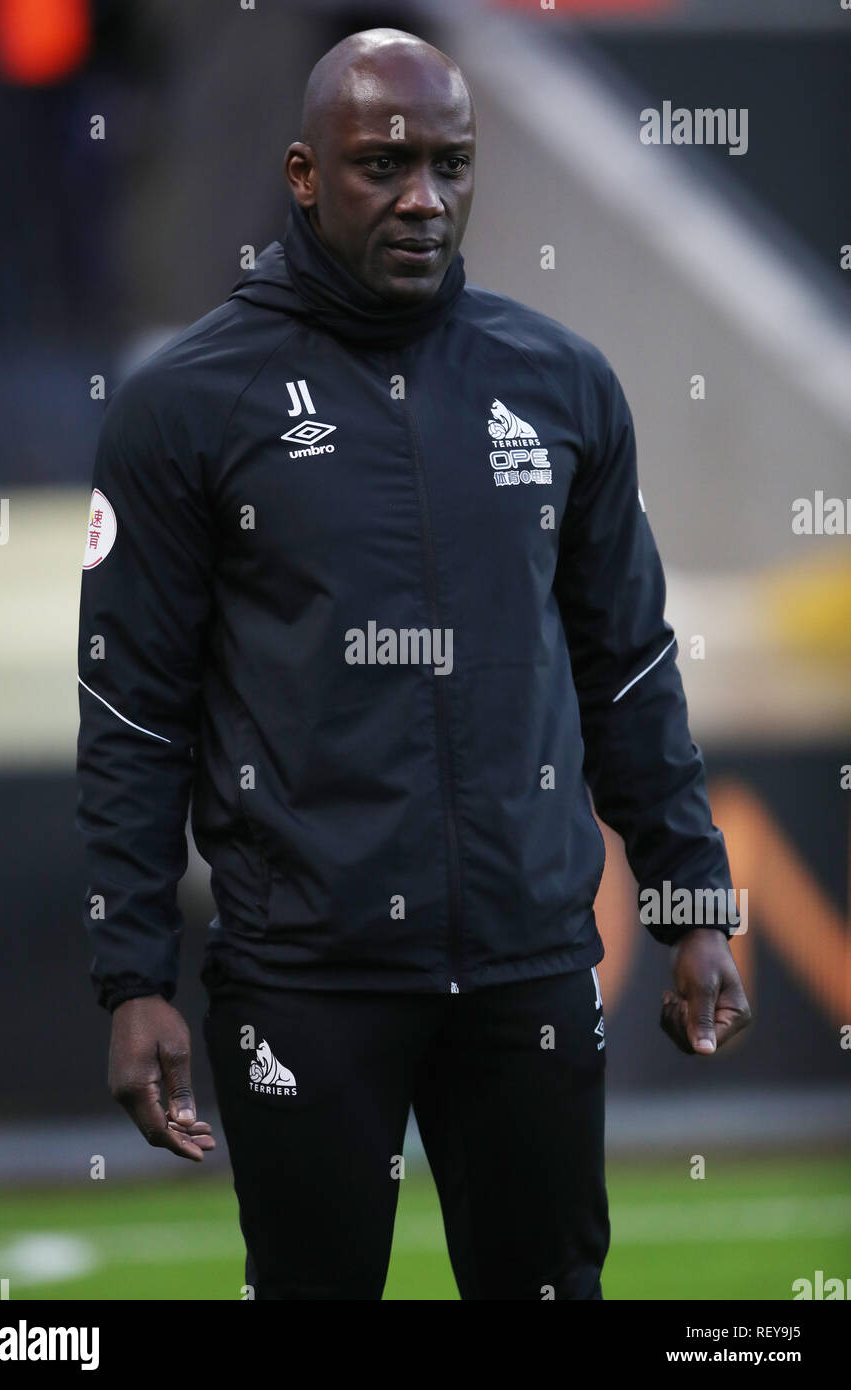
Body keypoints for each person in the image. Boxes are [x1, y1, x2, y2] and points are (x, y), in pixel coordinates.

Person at [76, 27, 751, 1301]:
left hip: (529, 963)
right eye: (384, 165)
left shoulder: (560, 384)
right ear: (302, 172)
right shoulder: (188, 403)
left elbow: (630, 668)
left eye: (450, 164)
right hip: (303, 979)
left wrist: (694, 897)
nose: (423, 198)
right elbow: (131, 710)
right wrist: (132, 977)